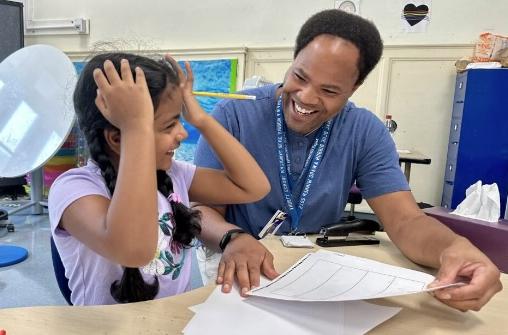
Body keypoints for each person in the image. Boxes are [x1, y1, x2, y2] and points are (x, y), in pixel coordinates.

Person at [194, 9, 502, 311]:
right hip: (232, 257)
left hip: (311, 264)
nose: (306, 97)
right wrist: (232, 237)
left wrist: (453, 249)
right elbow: (200, 209)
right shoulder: (234, 115)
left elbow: (406, 220)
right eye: (299, 76)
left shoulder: (364, 130)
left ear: (353, 88)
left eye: (329, 90)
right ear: (294, 59)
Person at [48, 52, 270, 305]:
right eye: (169, 126)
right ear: (117, 138)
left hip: (170, 323)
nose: (182, 133)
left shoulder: (174, 174)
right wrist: (135, 129)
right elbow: (133, 251)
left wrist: (201, 119)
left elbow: (253, 187)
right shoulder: (73, 190)